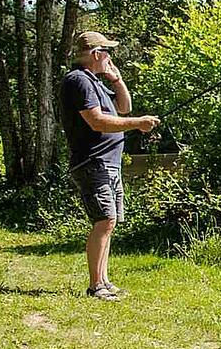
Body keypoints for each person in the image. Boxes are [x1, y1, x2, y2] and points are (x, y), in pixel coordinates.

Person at [59, 31, 159, 301]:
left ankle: (103, 280)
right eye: (107, 52)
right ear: (96, 54)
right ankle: (95, 286)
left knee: (109, 222)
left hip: (108, 164)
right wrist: (139, 123)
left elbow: (124, 107)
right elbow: (97, 121)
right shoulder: (78, 81)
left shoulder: (95, 82)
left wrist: (116, 79)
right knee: (104, 220)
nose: (110, 57)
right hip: (93, 162)